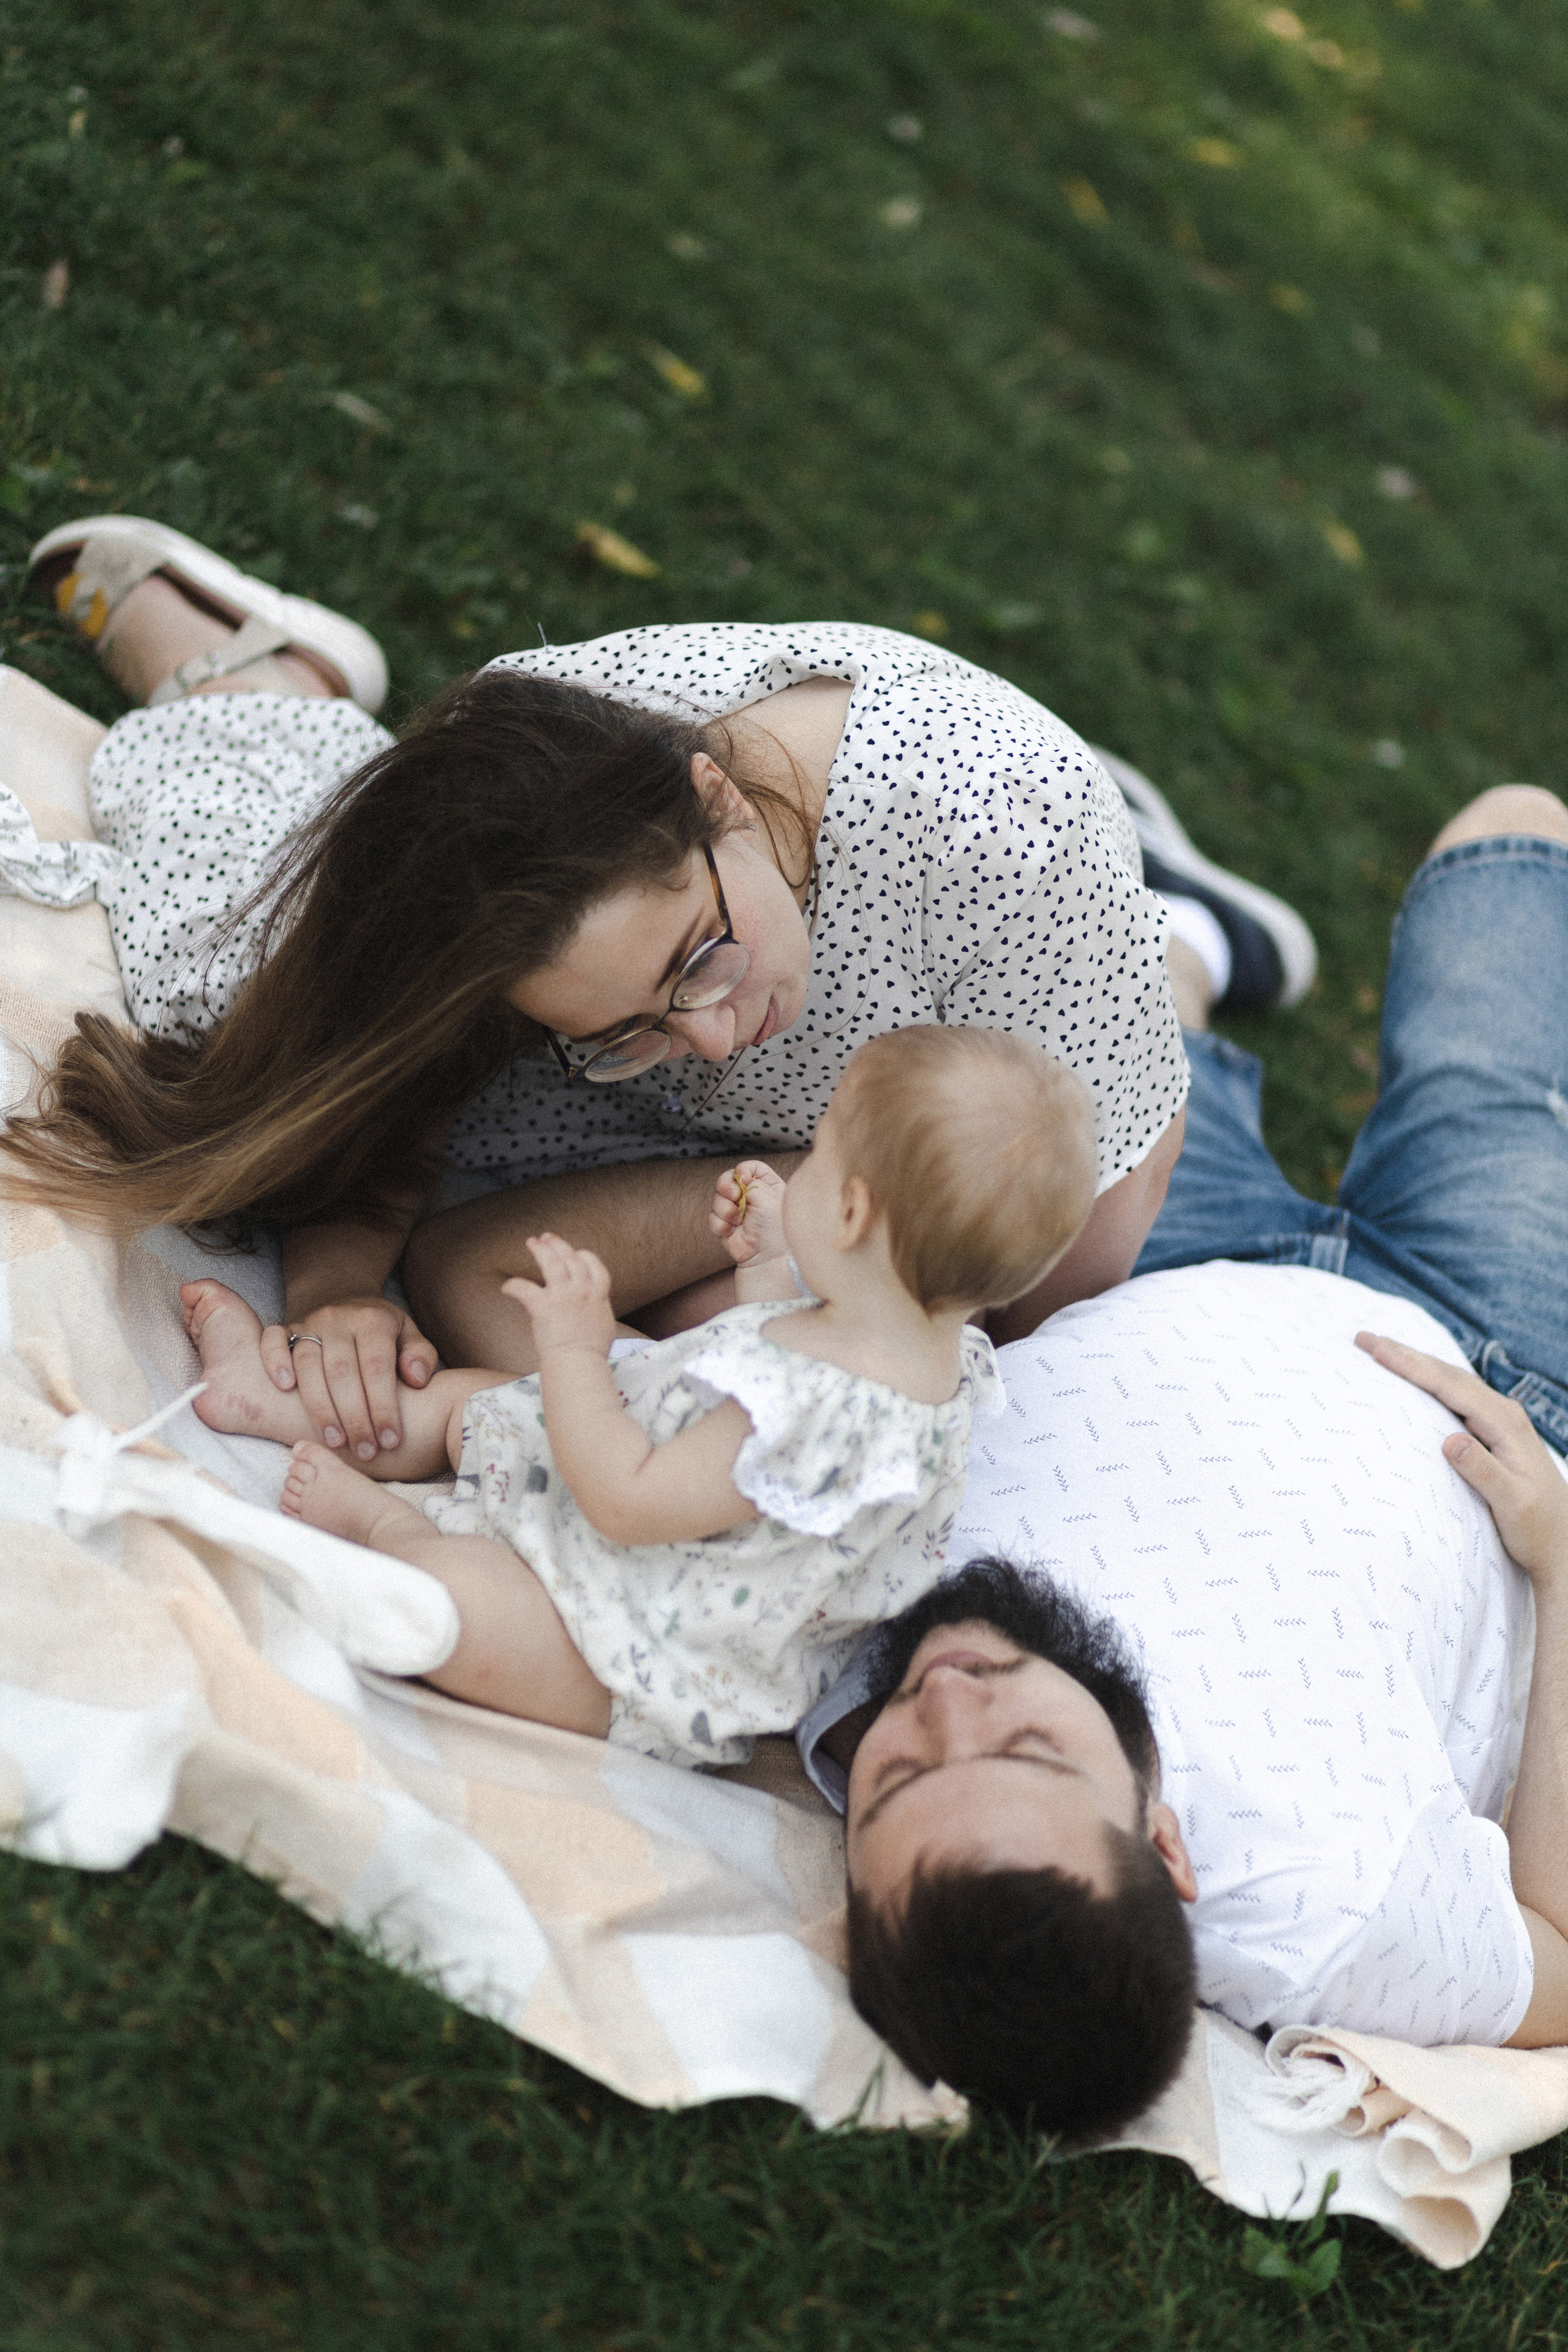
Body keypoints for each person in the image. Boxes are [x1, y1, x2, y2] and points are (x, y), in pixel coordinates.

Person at [6, 515, 1310, 1476]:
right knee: (227, 973)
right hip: (746, 1138)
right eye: (626, 1028)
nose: (709, 1036)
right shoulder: (547, 885)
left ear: (719, 800)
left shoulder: (998, 830)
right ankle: (265, 676)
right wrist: (340, 1289)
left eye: (701, 956)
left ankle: (1178, 941)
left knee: (888, 1342)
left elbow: (1069, 1250)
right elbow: (394, 1088)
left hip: (983, 1086)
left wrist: (885, 1290)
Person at [794, 783, 1568, 2140]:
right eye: (1029, 1747)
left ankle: (1193, 942)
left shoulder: (821, 1651)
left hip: (1148, 1265)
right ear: (1165, 1847)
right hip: (1491, 1356)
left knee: (1118, 1033)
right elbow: (1557, 1956)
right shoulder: (1327, 1911)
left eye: (902, 1775)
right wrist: (1562, 1565)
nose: (949, 1692)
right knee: (1509, 842)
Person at [175, 1025, 1096, 1763]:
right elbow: (790, 1336)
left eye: (816, 1161)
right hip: (619, 1487)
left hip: (635, 1632)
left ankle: (387, 1528)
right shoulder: (923, 1353)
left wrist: (575, 1345)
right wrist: (774, 1257)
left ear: (852, 1215)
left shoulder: (809, 1417)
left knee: (469, 1612)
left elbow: (629, 1498)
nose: (800, 1170)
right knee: (475, 1405)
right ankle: (268, 1395)